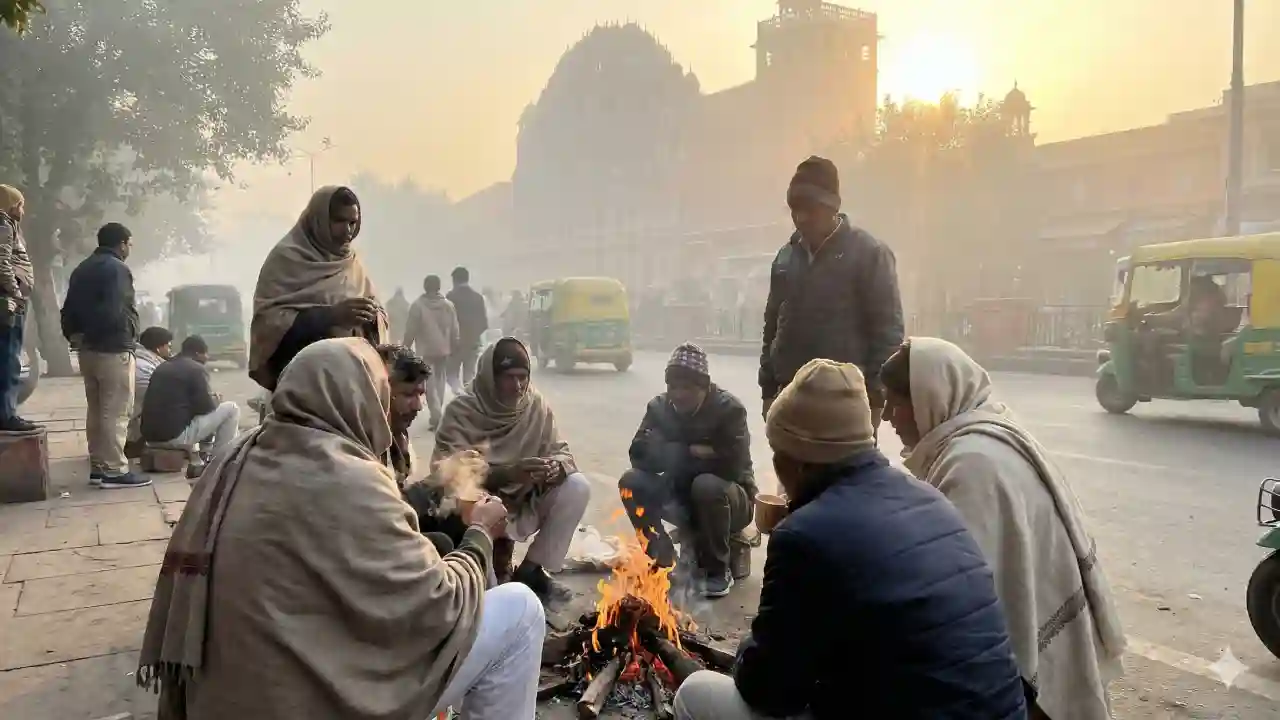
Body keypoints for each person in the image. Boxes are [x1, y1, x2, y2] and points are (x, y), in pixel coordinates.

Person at [137, 338, 543, 720]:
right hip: (307, 700)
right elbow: (439, 604)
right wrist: (479, 536)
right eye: (385, 392)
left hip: (224, 697)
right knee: (521, 610)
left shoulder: (235, 456)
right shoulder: (349, 474)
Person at [674, 358, 1028, 720]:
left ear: (797, 461)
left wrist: (753, 650)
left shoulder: (804, 536)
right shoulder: (930, 498)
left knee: (696, 694)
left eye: (778, 455)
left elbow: (768, 691)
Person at [882, 338, 1127, 720]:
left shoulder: (970, 465)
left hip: (1029, 676)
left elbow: (955, 594)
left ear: (930, 398)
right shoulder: (983, 433)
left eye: (895, 403)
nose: (886, 417)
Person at [434, 337, 590, 606]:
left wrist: (556, 467)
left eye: (522, 377)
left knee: (577, 486)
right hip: (480, 504)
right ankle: (485, 573)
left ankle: (531, 570)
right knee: (491, 596)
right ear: (491, 377)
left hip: (525, 498)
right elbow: (445, 474)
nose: (518, 386)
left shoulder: (534, 405)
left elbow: (561, 451)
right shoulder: (462, 410)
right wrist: (507, 474)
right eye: (509, 377)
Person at [759, 156, 904, 429]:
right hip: (790, 395)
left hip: (846, 400)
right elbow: (772, 326)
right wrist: (768, 389)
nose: (800, 218)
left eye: (810, 209)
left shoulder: (869, 254)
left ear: (832, 207)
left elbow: (887, 331)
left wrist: (876, 398)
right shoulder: (786, 257)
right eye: (795, 209)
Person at [619, 343, 755, 597]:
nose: (678, 395)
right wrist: (693, 450)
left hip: (730, 501)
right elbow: (638, 455)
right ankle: (663, 560)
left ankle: (716, 571)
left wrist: (668, 451)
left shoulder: (729, 410)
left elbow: (732, 466)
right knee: (630, 482)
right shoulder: (659, 408)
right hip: (679, 494)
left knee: (706, 485)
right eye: (673, 387)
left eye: (687, 388)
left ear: (704, 387)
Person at [248, 185, 386, 393]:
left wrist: (371, 316)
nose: (348, 231)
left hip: (350, 381)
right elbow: (268, 325)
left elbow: (378, 311)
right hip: (301, 381)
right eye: (339, 221)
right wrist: (330, 316)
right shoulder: (287, 258)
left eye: (352, 223)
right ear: (318, 220)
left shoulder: (352, 263)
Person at [62, 222, 144, 489]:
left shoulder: (82, 268)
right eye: (130, 244)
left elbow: (68, 309)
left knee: (97, 409)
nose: (130, 249)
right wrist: (124, 335)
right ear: (122, 243)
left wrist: (76, 335)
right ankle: (114, 470)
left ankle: (98, 466)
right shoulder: (117, 269)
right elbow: (114, 310)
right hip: (113, 348)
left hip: (87, 349)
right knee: (116, 411)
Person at [141, 335, 242, 459]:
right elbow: (206, 408)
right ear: (198, 353)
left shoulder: (163, 366)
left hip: (150, 438)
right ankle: (220, 460)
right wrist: (215, 400)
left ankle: (205, 451)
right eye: (205, 353)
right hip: (174, 438)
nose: (207, 357)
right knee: (231, 409)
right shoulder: (196, 368)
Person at [0, 184, 37, 432]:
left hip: (10, 300)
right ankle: (6, 415)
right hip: (9, 303)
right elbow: (2, 263)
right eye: (20, 205)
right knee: (9, 359)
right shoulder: (3, 225)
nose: (22, 211)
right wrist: (15, 292)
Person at [405, 274, 460, 429]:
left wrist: (405, 347)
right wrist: (454, 344)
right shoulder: (448, 305)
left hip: (425, 349)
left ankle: (436, 414)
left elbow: (410, 330)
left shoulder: (417, 306)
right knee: (440, 380)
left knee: (429, 383)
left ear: (425, 287)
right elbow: (455, 328)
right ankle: (438, 412)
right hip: (443, 349)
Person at [125, 326, 175, 458]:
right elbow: (164, 399)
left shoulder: (139, 361)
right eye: (168, 346)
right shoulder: (147, 367)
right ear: (158, 348)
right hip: (134, 432)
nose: (170, 351)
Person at [446, 266, 488, 393]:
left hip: (455, 344)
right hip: (473, 344)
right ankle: (468, 397)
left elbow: (446, 321)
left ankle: (458, 392)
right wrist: (473, 336)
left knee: (451, 374)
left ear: (454, 280)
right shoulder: (478, 297)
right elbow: (484, 323)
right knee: (469, 377)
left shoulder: (450, 297)